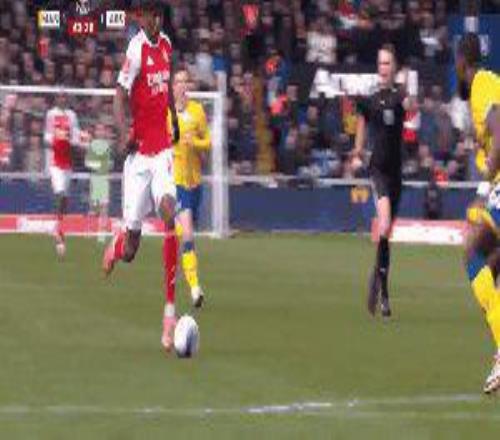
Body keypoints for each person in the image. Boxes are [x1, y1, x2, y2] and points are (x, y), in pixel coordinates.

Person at [102, 0, 180, 352]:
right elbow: (119, 96)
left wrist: (174, 119)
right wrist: (123, 135)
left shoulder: (166, 45)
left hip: (162, 152)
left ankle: (169, 313)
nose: (150, 19)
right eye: (146, 14)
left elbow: (166, 90)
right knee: (132, 249)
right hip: (138, 157)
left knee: (169, 213)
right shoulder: (135, 50)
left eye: (153, 14)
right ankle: (117, 245)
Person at [351, 43, 412, 318]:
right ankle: (383, 293)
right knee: (384, 224)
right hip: (378, 170)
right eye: (380, 63)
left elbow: (410, 104)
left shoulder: (400, 96)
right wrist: (357, 151)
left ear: (394, 67)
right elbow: (361, 123)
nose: (383, 68)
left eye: (387, 63)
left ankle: (379, 282)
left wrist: (407, 89)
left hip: (396, 173)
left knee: (387, 234)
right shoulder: (371, 100)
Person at [455, 32, 500, 394]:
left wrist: (485, 187)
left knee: (473, 250)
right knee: (493, 268)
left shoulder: (482, 84)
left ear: (461, 61)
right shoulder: (485, 87)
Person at [169, 67, 211, 308]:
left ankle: (176, 226)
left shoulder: (197, 111)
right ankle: (195, 288)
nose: (182, 86)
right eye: (178, 82)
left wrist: (194, 142)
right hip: (177, 181)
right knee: (188, 234)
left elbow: (208, 142)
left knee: (187, 229)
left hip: (195, 182)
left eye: (186, 81)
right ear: (173, 87)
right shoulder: (166, 115)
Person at [43, 93, 84, 257]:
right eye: (59, 97)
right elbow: (46, 136)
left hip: (68, 163)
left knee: (65, 199)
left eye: (64, 97)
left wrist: (74, 139)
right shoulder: (51, 114)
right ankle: (58, 231)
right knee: (60, 194)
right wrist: (56, 138)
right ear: (56, 99)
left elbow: (76, 136)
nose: (62, 99)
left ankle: (59, 224)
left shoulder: (72, 116)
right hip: (55, 164)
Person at [85, 122, 112, 243]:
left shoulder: (107, 146)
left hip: (104, 179)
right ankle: (89, 231)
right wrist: (100, 165)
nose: (100, 132)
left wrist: (105, 166)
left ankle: (101, 235)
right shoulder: (92, 145)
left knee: (104, 208)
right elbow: (88, 162)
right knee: (93, 207)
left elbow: (110, 163)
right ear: (95, 132)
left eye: (102, 130)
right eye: (98, 130)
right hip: (95, 179)